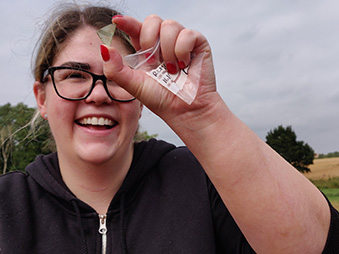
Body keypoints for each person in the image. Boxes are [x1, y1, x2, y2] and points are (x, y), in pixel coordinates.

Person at [0, 3, 338, 254]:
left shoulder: (206, 183)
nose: (99, 95)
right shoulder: (8, 206)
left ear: (142, 94)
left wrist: (204, 115)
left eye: (116, 77)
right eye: (75, 75)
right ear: (41, 98)